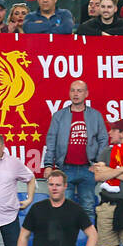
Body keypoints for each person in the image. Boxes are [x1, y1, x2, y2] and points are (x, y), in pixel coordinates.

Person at [40, 81, 106, 220]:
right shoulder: (59, 116)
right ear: (69, 93)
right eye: (73, 90)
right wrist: (47, 165)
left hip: (88, 169)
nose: (76, 94)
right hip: (65, 169)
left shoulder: (95, 116)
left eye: (79, 90)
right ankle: (66, 242)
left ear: (86, 94)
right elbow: (51, 140)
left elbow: (103, 140)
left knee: (88, 207)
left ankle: (89, 241)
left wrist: (98, 164)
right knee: (64, 208)